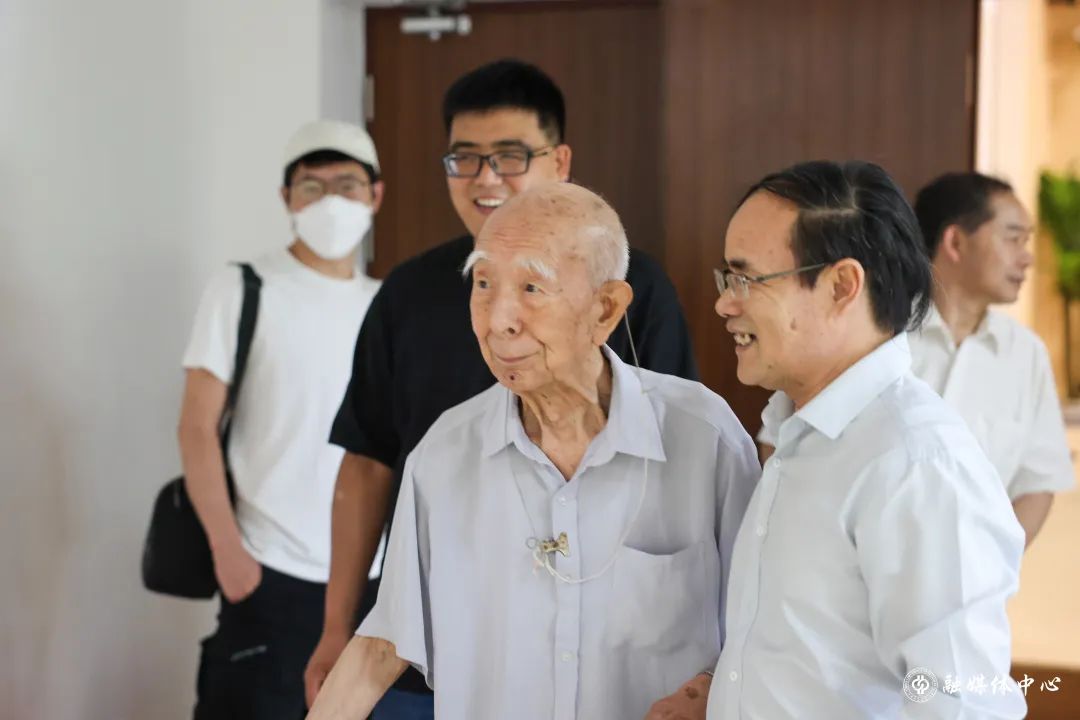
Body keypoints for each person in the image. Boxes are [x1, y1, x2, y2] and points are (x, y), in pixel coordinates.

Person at [303, 59, 699, 717]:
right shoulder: (407, 295)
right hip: (425, 646)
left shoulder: (635, 292)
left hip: (591, 644)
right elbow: (368, 462)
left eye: (510, 156)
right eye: (465, 158)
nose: (486, 178)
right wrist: (336, 626)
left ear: (560, 161)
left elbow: (675, 458)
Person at [707, 161, 1025, 718]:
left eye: (747, 280)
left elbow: (962, 701)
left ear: (841, 286)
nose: (725, 304)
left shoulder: (915, 460)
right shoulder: (800, 435)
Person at [178, 120, 384, 719]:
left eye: (346, 184)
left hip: (371, 581)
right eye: (311, 186)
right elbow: (196, 427)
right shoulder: (245, 287)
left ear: (375, 194)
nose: (329, 201)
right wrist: (229, 554)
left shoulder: (386, 304)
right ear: (286, 198)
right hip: (270, 572)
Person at [911, 172, 1074, 547]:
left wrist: (989, 562)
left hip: (977, 578)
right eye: (1013, 238)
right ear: (955, 242)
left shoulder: (1025, 353)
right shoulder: (877, 335)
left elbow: (1038, 481)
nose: (1027, 257)